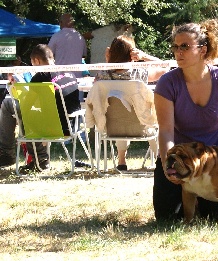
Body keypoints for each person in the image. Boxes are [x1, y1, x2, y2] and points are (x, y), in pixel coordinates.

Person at [153, 20, 218, 221]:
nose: (178, 52)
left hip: (215, 162)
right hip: (180, 159)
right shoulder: (166, 83)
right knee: (168, 219)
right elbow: (165, 131)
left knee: (216, 218)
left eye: (184, 46)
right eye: (175, 46)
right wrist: (168, 165)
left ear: (202, 49)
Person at [0, 44, 81, 172]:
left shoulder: (41, 76)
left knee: (9, 105)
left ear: (37, 61)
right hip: (73, 125)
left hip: (52, 127)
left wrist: (14, 89)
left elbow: (27, 105)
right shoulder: (69, 72)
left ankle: (10, 154)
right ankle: (38, 158)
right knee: (26, 112)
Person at [93, 35, 168, 171]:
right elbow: (165, 68)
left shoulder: (102, 75)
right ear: (132, 54)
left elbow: (96, 88)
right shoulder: (140, 73)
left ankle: (121, 160)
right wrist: (144, 56)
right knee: (139, 114)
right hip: (142, 124)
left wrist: (108, 61)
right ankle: (159, 157)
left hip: (113, 127)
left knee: (118, 111)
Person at [48, 13, 87, 79]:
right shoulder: (80, 37)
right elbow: (84, 56)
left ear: (61, 23)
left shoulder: (56, 37)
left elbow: (48, 54)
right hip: (77, 77)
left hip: (60, 78)